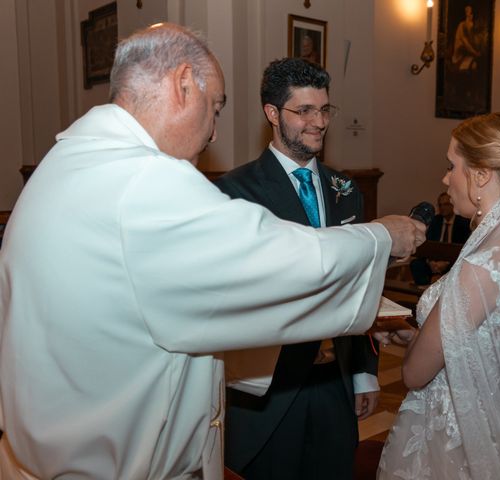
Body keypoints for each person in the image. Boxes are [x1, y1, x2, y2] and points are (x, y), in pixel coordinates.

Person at [0, 23, 426, 480]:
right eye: (216, 107)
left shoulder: (71, 161)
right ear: (184, 84)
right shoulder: (143, 181)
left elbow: (174, 304)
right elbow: (275, 261)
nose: (215, 133)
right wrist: (382, 237)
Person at [377, 112, 500, 479]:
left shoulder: (479, 269)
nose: (445, 178)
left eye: (452, 166)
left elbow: (415, 375)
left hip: (451, 440)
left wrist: (417, 347)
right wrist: (419, 335)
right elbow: (483, 349)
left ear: (480, 175)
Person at [214, 57, 376, 479]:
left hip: (332, 382)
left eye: (324, 109)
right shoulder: (235, 191)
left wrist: (362, 373)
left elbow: (356, 283)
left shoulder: (346, 190)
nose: (318, 122)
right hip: (270, 386)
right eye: (303, 110)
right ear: (272, 113)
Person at [409, 192, 470, 285]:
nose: (442, 208)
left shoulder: (463, 223)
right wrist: (430, 262)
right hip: (434, 260)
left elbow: (464, 249)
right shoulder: (435, 220)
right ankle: (424, 291)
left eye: (445, 204)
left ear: (452, 205)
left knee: (460, 267)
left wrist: (446, 263)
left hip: (453, 261)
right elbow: (428, 244)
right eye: (440, 205)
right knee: (416, 264)